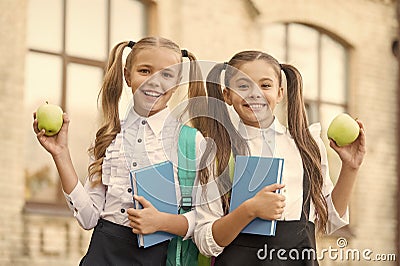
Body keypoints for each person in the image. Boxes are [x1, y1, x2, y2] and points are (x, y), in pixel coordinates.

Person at [33, 36, 206, 266]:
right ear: (127, 75)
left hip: (155, 258)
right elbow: (88, 218)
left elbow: (205, 222)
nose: (154, 81)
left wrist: (162, 222)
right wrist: (60, 153)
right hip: (102, 254)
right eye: (144, 71)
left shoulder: (191, 142)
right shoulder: (109, 136)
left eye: (167, 75)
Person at [193, 51, 366, 265]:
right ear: (227, 95)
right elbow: (205, 240)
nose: (255, 93)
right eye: (243, 86)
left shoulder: (306, 146)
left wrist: (350, 168)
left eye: (265, 85)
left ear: (280, 92)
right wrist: (249, 210)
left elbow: (328, 220)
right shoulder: (216, 151)